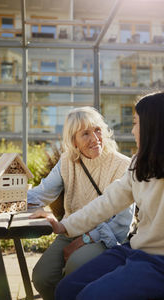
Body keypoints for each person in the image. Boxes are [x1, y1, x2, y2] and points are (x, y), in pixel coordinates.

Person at [0, 106, 134, 300]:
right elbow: (41, 194)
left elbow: (122, 223)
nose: (95, 138)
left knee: (75, 267)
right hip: (71, 229)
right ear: (73, 140)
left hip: (105, 236)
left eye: (98, 130)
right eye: (85, 133)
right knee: (42, 277)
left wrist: (84, 240)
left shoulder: (123, 165)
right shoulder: (67, 161)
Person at [47, 92, 164, 300]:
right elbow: (107, 203)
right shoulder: (139, 164)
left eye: (136, 123)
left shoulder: (124, 163)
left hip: (158, 261)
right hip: (134, 249)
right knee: (65, 290)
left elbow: (118, 221)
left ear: (152, 128)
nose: (132, 130)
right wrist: (64, 226)